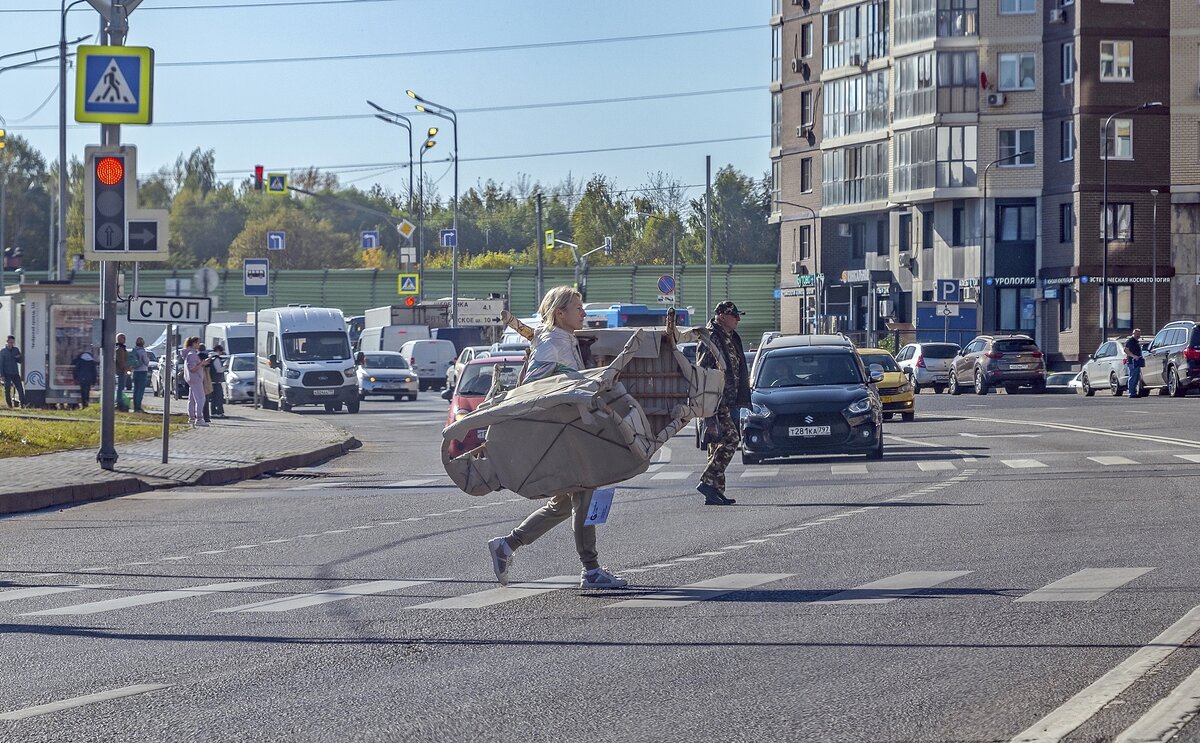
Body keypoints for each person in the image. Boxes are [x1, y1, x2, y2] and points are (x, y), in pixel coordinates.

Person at [486, 286, 628, 590]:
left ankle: (507, 545)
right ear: (559, 313)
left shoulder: (564, 339)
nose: (584, 313)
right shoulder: (552, 342)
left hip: (570, 428)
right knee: (586, 490)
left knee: (563, 503)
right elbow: (534, 389)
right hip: (562, 432)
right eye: (578, 308)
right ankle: (590, 571)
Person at [696, 301, 751, 506]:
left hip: (729, 399)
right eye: (734, 315)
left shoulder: (729, 337)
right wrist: (708, 404)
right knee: (731, 439)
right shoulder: (710, 337)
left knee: (718, 442)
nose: (738, 319)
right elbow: (703, 370)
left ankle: (715, 491)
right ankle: (707, 481)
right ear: (721, 315)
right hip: (716, 400)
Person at [181, 336, 211, 427]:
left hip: (190, 378)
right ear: (194, 343)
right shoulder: (192, 354)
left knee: (192, 399)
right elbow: (192, 368)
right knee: (201, 399)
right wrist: (202, 363)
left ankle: (192, 418)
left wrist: (201, 364)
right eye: (198, 343)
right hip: (195, 378)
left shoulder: (188, 353)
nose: (199, 345)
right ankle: (199, 418)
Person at [0, 335, 25, 409]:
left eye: (13, 342)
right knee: (7, 390)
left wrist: (19, 357)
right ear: (7, 342)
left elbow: (20, 361)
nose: (12, 344)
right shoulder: (3, 352)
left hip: (15, 373)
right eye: (10, 342)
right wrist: (2, 375)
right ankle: (10, 405)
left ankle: (22, 404)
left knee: (20, 389)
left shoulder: (16, 350)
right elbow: (1, 364)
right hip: (7, 374)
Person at [131, 336, 151, 413]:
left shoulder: (134, 350)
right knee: (140, 390)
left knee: (135, 390)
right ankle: (138, 407)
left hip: (135, 371)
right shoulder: (142, 351)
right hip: (142, 371)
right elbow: (146, 362)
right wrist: (148, 357)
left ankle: (135, 406)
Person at [1123, 328, 1144, 398]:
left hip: (1137, 361)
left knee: (1136, 377)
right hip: (1132, 362)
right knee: (1133, 377)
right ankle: (1131, 393)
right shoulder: (1130, 341)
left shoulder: (1136, 342)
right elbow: (1126, 350)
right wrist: (1133, 356)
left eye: (1139, 334)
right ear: (1133, 334)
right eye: (1137, 334)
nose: (1138, 335)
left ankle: (1134, 392)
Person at [208, 344, 227, 419]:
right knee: (219, 397)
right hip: (216, 382)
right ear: (218, 351)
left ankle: (215, 412)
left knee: (214, 398)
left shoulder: (211, 358)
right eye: (221, 351)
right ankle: (218, 412)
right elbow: (219, 370)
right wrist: (225, 367)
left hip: (212, 381)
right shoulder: (216, 359)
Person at [114, 333, 130, 412]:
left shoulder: (122, 348)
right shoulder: (119, 348)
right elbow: (121, 361)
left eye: (124, 337)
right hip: (121, 371)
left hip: (122, 370)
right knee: (120, 387)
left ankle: (119, 401)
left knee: (121, 387)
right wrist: (125, 369)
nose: (124, 339)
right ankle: (118, 402)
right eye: (122, 338)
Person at [198, 345, 214, 423]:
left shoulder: (197, 356)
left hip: (198, 379)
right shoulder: (207, 357)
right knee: (205, 399)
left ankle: (199, 416)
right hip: (206, 379)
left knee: (198, 399)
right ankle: (206, 417)